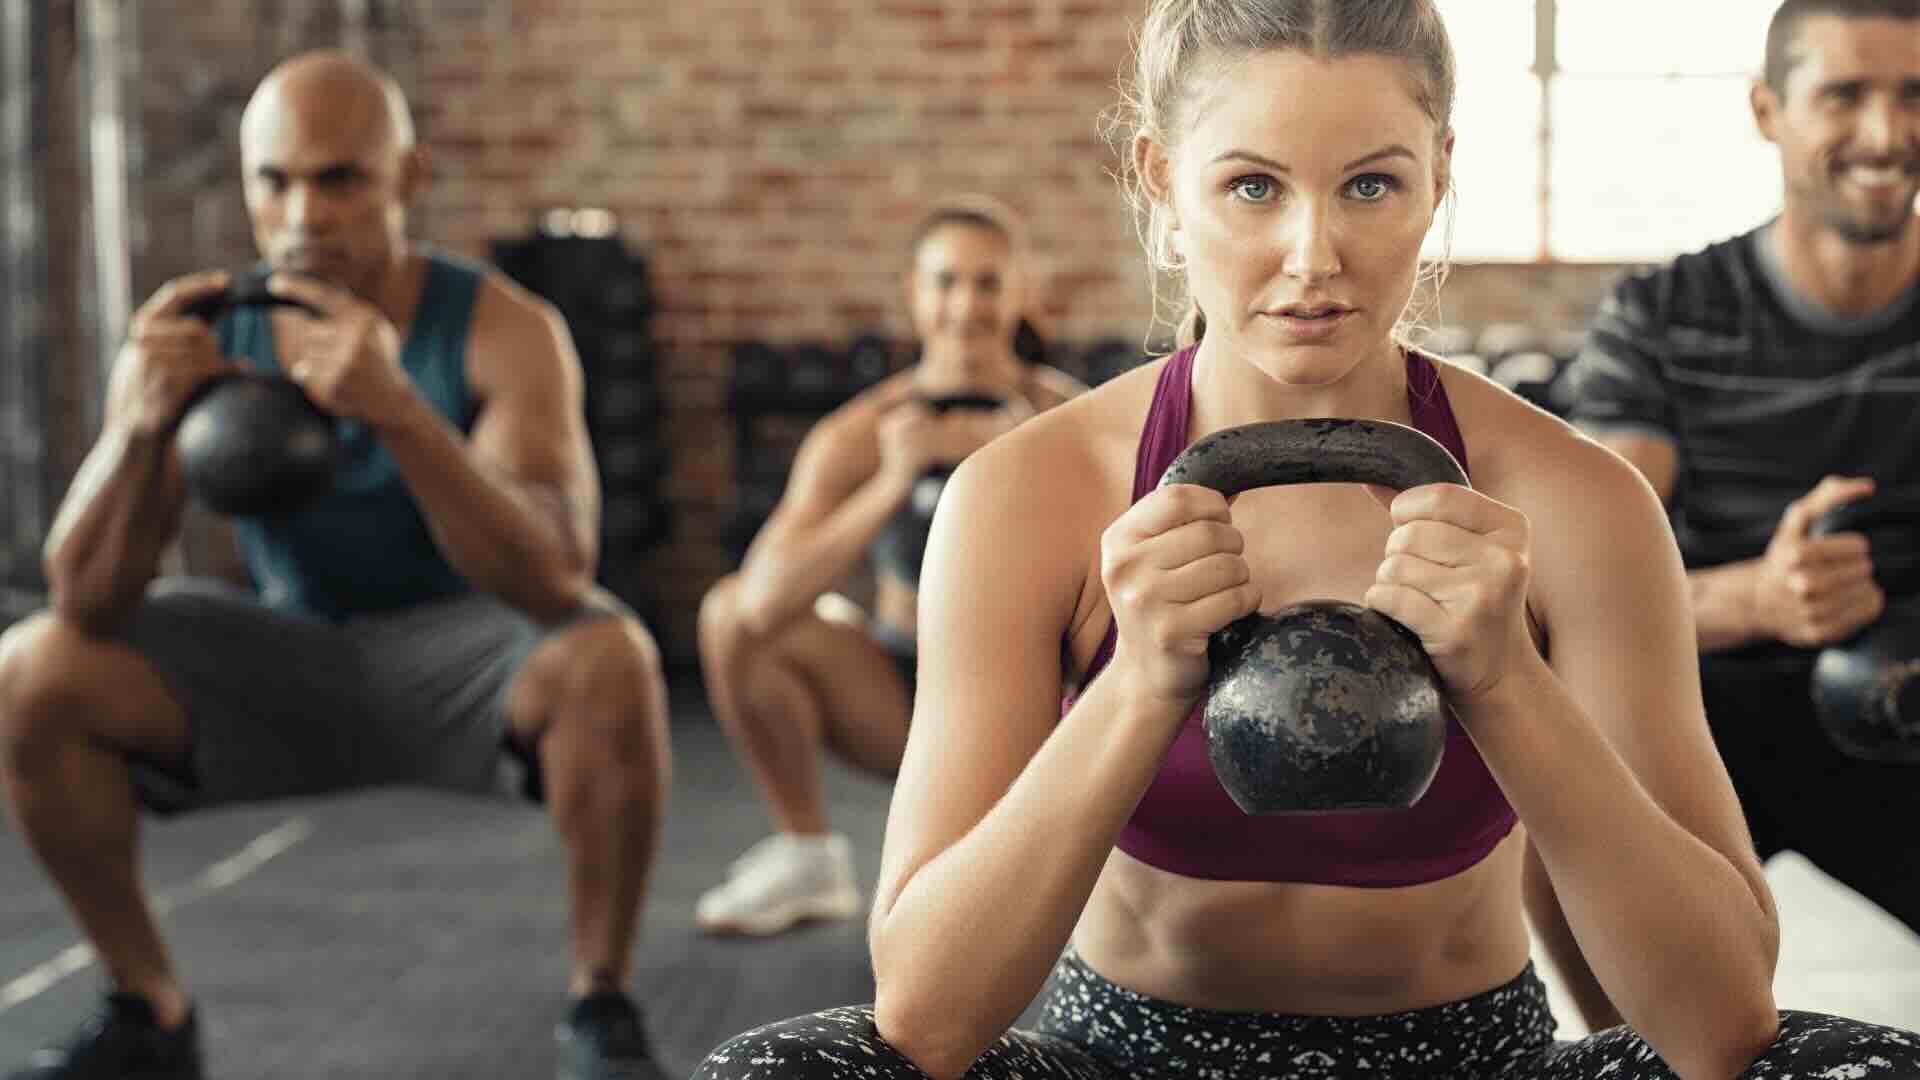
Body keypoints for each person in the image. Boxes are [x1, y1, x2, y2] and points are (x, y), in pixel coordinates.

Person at [692, 1, 1920, 1077]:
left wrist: (1506, 682)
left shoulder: (1575, 502)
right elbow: (924, 1014)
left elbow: (1720, 1030)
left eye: (1371, 184)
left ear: (1440, 175)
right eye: (1252, 186)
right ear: (1162, 185)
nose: (1313, 257)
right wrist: (1138, 685)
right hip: (1124, 1056)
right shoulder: (1028, 494)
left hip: (1465, 1059)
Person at [0, 51, 670, 1080]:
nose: (303, 213)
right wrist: (140, 430)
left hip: (467, 656)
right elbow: (87, 601)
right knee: (34, 668)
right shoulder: (207, 335)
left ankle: (600, 1005)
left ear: (408, 179)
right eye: (275, 181)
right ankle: (150, 1012)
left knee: (613, 654)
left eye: (339, 179)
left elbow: (555, 580)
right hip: (287, 655)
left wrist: (401, 411)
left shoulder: (505, 331)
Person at [1537, 0, 1920, 1033]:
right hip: (1695, 719)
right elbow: (1575, 592)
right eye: (1846, 94)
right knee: (1546, 749)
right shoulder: (1664, 315)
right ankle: (1640, 1055)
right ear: (1769, 110)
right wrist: (1758, 598)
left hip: (1903, 713)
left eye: (1914, 96)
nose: (1887, 134)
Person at [695, 198, 1085, 936]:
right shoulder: (861, 433)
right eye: (945, 283)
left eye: (986, 283)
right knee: (724, 611)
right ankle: (807, 854)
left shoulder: (1067, 419)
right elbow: (760, 603)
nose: (965, 306)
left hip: (1037, 699)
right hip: (900, 694)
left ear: (1020, 292)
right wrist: (890, 481)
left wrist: (1026, 466)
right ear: (914, 292)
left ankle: (1108, 858)